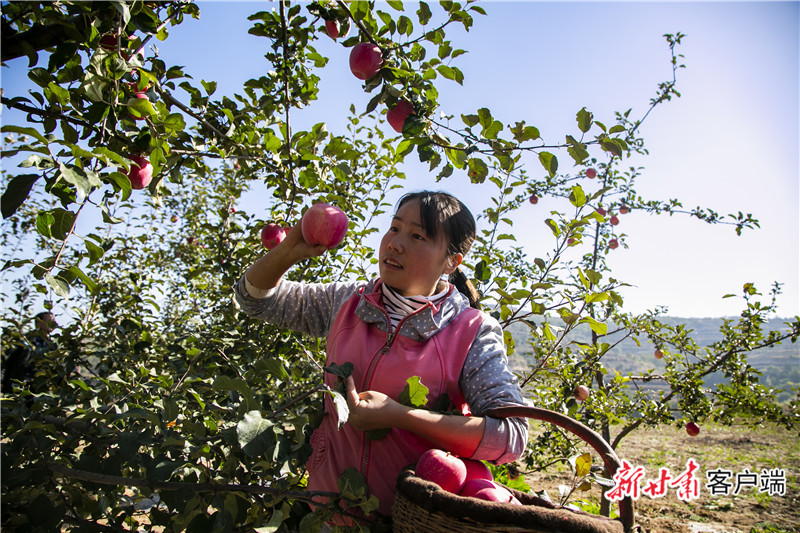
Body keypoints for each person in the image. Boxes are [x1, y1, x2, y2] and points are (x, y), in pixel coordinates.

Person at [233, 191, 529, 524]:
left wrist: (400, 415)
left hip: (409, 523)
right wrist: (290, 250)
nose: (395, 244)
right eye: (394, 228)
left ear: (451, 261)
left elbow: (510, 436)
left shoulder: (471, 330)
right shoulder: (349, 301)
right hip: (326, 514)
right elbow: (254, 299)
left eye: (417, 235)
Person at [1, 311, 58, 393]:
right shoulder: (24, 340)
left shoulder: (51, 346)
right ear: (39, 323)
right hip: (19, 386)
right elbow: (6, 361)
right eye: (50, 320)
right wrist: (2, 381)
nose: (54, 323)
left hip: (38, 388)